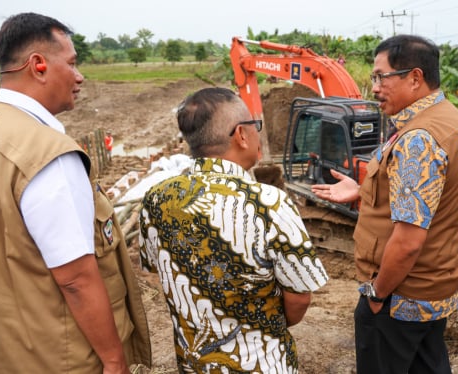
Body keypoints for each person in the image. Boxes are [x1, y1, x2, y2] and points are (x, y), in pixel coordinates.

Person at [0, 13, 151, 373]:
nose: (79, 76)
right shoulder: (48, 156)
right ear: (38, 65)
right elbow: (75, 278)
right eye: (72, 63)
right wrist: (113, 360)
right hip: (54, 356)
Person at [312, 34, 458, 373]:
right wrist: (364, 190)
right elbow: (429, 192)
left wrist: (376, 295)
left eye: (381, 76)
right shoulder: (447, 116)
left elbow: (407, 243)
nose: (374, 87)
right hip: (436, 279)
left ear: (415, 77)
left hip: (402, 295)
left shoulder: (419, 138)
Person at [138, 87, 328, 373]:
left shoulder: (156, 198)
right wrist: (259, 327)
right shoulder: (268, 203)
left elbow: (157, 270)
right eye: (256, 126)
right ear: (241, 134)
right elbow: (299, 298)